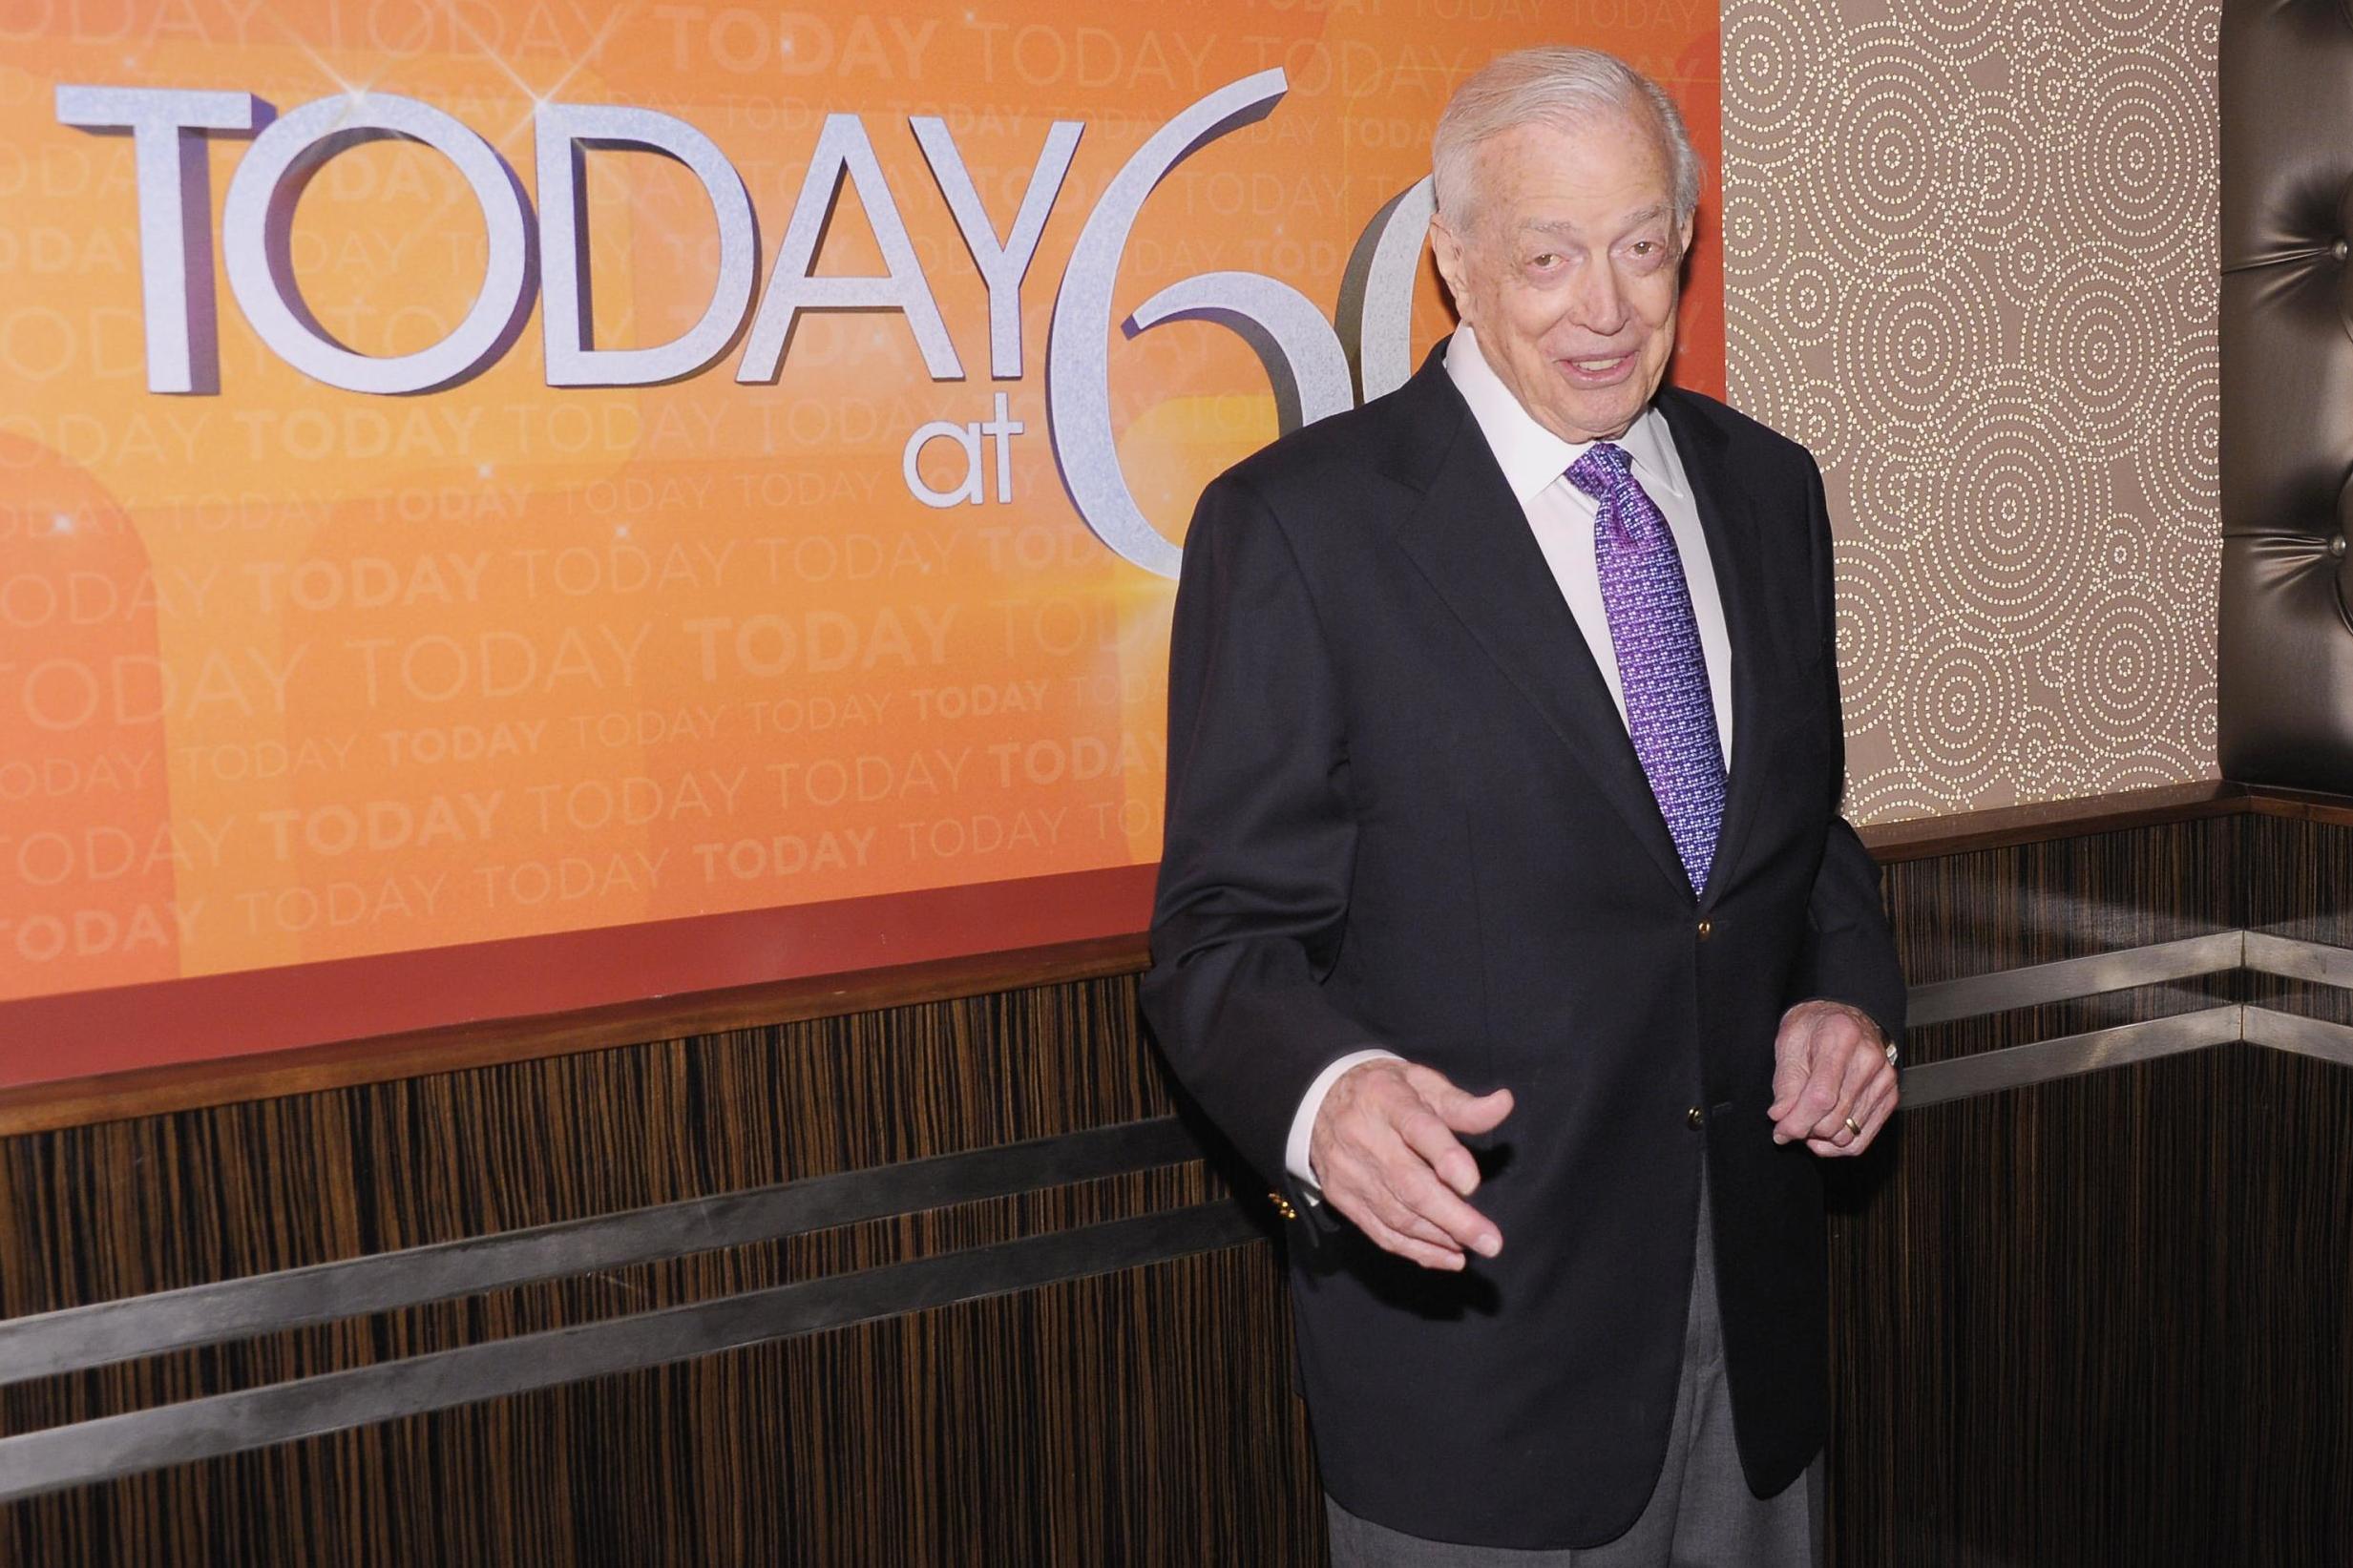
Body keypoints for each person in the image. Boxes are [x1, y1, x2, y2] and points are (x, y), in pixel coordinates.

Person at [1139, 46, 1907, 1566]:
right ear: (1453, 262)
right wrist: (1325, 1099)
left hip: (1748, 1336)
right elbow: (1217, 938)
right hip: (1477, 1360)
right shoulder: (1299, 528)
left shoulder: (1769, 491)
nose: (1605, 307)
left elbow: (1792, 833)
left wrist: (1842, 996)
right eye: (1548, 257)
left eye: (1640, 247)